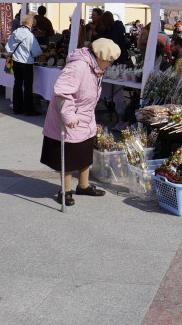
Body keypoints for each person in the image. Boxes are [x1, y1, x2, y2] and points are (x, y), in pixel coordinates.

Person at [40, 38, 121, 206]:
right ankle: (65, 190)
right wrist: (69, 116)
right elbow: (62, 91)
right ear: (100, 57)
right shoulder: (78, 66)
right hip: (70, 117)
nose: (110, 64)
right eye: (110, 61)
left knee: (84, 152)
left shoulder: (94, 66)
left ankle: (83, 186)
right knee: (69, 154)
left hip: (85, 115)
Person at [7, 13, 43, 116]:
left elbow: (8, 48)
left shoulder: (15, 32)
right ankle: (28, 109)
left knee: (17, 83)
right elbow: (36, 51)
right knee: (27, 86)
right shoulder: (29, 35)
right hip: (26, 62)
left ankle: (17, 108)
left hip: (16, 61)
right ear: (30, 24)